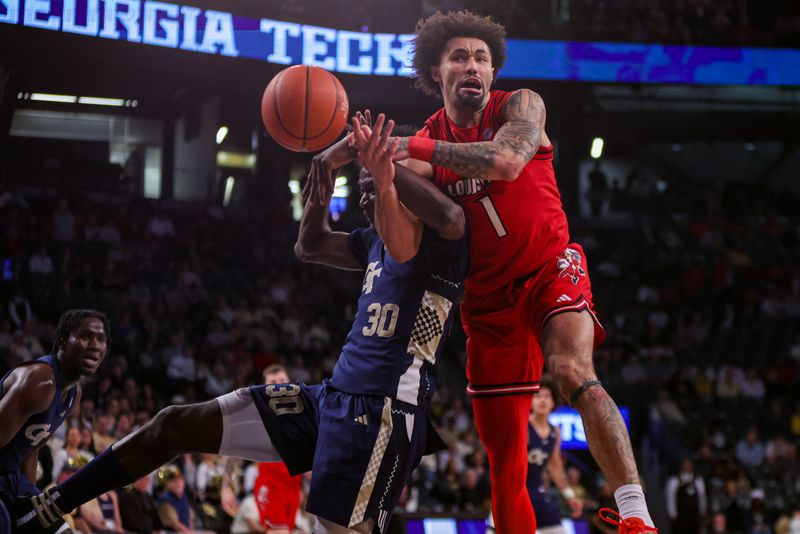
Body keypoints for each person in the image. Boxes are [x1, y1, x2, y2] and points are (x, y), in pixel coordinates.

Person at [13, 116, 469, 534]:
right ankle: (50, 507)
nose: (371, 185)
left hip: (384, 412)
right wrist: (324, 175)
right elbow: (308, 246)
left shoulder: (443, 245)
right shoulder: (373, 242)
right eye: (366, 180)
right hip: (332, 398)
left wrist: (385, 163)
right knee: (174, 425)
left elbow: (451, 216)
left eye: (384, 175)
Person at [351, 10, 656, 532]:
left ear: (492, 73)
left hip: (549, 268)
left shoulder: (520, 105)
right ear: (435, 70)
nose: (473, 66)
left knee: (571, 371)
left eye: (482, 58)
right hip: (486, 304)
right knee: (507, 466)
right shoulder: (426, 139)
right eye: (459, 57)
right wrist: (380, 177)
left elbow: (507, 162)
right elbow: (400, 243)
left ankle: (635, 516)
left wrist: (408, 148)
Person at [0, 309, 110, 532]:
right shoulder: (41, 381)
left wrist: (29, 498)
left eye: (101, 339)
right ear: (62, 340)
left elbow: (30, 451)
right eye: (85, 336)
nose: (95, 345)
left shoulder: (73, 394)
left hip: (11, 479)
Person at [527, 380, 582, 533]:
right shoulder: (522, 427)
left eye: (547, 396)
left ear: (553, 403)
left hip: (537, 492)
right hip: (515, 494)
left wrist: (569, 496)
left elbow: (555, 467)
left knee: (558, 530)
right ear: (530, 401)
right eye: (537, 396)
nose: (542, 400)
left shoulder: (555, 432)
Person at [254, 364, 302, 533]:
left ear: (290, 383)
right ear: (265, 386)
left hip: (293, 486)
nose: (278, 385)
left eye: (282, 380)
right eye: (273, 382)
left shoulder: (302, 413)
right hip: (270, 483)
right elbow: (237, 446)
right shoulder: (257, 412)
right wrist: (226, 487)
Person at [665, 458, 706, 534]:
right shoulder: (674, 480)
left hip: (694, 516)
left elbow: (702, 496)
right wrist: (672, 513)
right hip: (680, 516)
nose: (687, 466)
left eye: (689, 464)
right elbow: (671, 498)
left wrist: (702, 511)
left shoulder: (698, 479)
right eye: (685, 464)